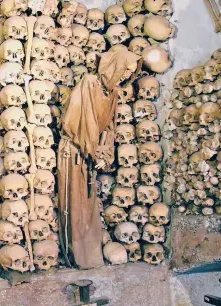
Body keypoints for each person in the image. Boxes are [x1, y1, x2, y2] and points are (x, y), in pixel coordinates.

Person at [58, 49, 142, 269]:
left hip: (89, 155)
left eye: (130, 73)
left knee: (88, 206)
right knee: (75, 206)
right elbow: (81, 122)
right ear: (113, 66)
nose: (125, 76)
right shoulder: (90, 83)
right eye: (124, 70)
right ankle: (77, 256)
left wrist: (105, 153)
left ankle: (90, 254)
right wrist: (93, 151)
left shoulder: (112, 92)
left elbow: (110, 127)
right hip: (75, 152)